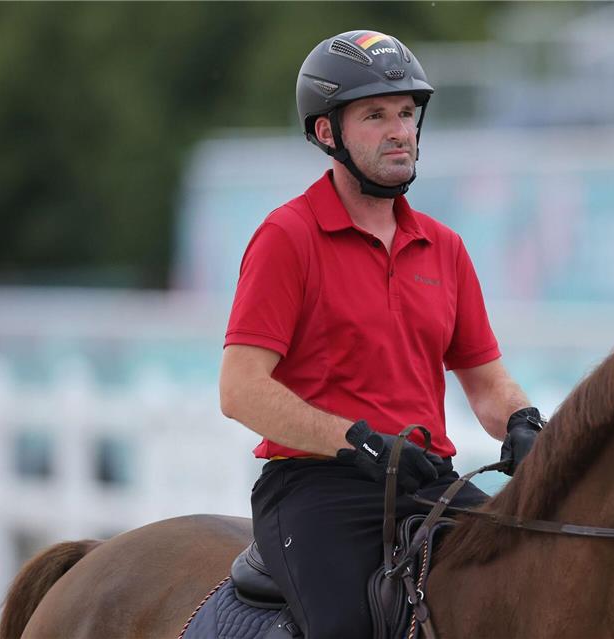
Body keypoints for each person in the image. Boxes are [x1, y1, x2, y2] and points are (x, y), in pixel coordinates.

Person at [218, 30, 544, 638]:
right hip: (316, 488)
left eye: (406, 114)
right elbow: (239, 389)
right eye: (375, 115)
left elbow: (486, 382)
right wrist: (358, 441)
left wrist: (525, 420)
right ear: (326, 133)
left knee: (537, 583)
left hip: (428, 482)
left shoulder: (444, 247)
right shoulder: (287, 236)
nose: (400, 130)